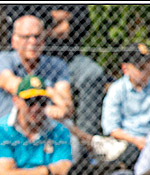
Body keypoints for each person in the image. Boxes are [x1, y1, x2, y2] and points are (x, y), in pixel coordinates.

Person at [6, 6, 108, 136]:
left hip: (69, 56)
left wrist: (49, 23)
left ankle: (87, 138)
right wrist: (53, 20)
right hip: (37, 57)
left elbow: (82, 22)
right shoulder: (11, 55)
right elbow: (19, 16)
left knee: (93, 74)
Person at [0, 15, 73, 124]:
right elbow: (13, 85)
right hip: (9, 129)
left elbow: (67, 104)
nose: (33, 41)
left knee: (68, 126)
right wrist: (50, 96)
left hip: (46, 128)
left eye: (37, 36)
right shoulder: (4, 60)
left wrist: (60, 110)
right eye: (26, 37)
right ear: (14, 41)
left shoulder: (57, 65)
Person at [101, 44, 150, 167]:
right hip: (125, 143)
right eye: (141, 68)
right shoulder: (116, 90)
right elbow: (111, 128)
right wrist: (136, 141)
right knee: (130, 153)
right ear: (125, 69)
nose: (146, 72)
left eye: (149, 66)